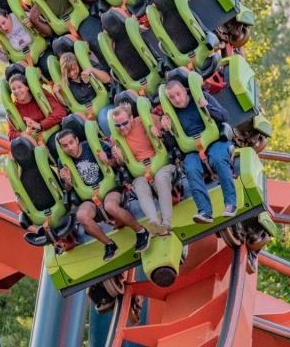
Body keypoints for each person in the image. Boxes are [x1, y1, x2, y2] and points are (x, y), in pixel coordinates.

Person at [55, 128, 149, 260]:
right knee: (81, 215)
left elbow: (118, 164)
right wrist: (68, 180)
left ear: (77, 140)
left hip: (109, 188)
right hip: (89, 197)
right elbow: (68, 189)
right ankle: (109, 244)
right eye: (65, 146)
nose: (70, 148)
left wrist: (107, 160)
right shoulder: (62, 161)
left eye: (71, 143)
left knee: (110, 206)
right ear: (61, 148)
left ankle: (141, 232)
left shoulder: (94, 145)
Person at [160, 80, 237, 224]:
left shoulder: (203, 97)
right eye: (172, 97)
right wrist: (168, 130)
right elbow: (171, 144)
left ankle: (230, 204)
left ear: (184, 90)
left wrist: (208, 108)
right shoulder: (171, 113)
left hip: (215, 141)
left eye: (178, 94)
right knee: (190, 168)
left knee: (218, 158)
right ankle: (205, 212)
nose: (177, 99)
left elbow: (225, 116)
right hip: (192, 149)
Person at [110, 105, 175, 235]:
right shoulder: (115, 138)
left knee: (161, 179)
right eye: (118, 125)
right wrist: (119, 158)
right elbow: (122, 164)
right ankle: (154, 223)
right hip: (140, 171)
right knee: (139, 186)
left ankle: (166, 223)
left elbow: (171, 140)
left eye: (124, 123)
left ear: (131, 118)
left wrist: (161, 134)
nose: (122, 128)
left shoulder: (147, 120)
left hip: (161, 163)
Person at [53, 52, 113, 125]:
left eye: (74, 69)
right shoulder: (66, 82)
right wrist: (57, 93)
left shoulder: (87, 65)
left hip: (104, 105)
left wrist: (91, 70)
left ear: (77, 64)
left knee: (103, 119)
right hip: (86, 116)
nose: (72, 73)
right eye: (68, 72)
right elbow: (67, 105)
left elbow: (107, 79)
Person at [6, 73, 66, 142]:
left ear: (27, 87)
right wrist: (23, 133)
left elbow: (61, 112)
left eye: (19, 87)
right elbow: (10, 134)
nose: (16, 91)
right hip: (32, 142)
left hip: (51, 134)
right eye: (13, 89)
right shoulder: (13, 108)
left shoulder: (40, 95)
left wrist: (40, 125)